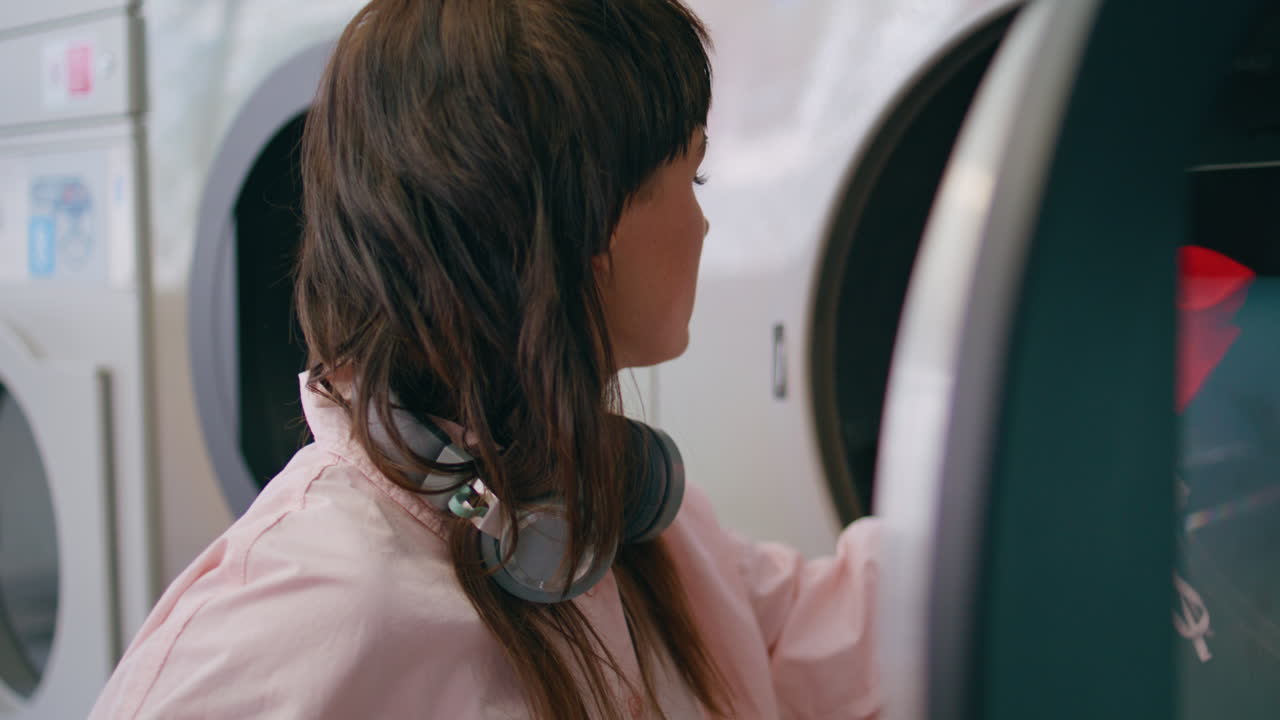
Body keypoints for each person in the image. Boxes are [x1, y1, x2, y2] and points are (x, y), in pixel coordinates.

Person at [89, 1, 881, 718]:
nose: (704, 225)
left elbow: (835, 635)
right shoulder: (298, 623)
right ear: (588, 228)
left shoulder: (611, 517)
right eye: (692, 173)